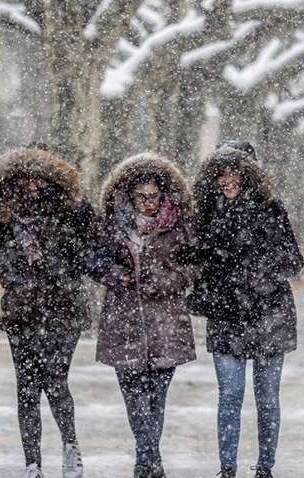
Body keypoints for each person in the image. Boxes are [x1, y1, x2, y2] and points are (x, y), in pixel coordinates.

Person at [177, 146, 303, 478]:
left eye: (234, 172)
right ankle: (227, 469)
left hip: (269, 314)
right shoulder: (205, 213)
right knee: (230, 395)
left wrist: (256, 266)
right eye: (220, 174)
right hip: (226, 315)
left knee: (267, 397)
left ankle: (265, 468)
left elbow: (294, 261)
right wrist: (200, 261)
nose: (227, 180)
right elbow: (191, 257)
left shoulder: (271, 209)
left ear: (249, 174)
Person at [0, 146, 92, 478]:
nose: (32, 184)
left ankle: (70, 447)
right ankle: (33, 464)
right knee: (27, 387)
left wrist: (61, 272)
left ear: (51, 176)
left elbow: (88, 246)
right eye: (25, 177)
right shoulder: (4, 210)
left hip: (64, 308)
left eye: (38, 177)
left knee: (56, 379)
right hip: (22, 310)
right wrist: (17, 281)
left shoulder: (71, 208)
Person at [90, 153, 197, 478]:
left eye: (154, 196)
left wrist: (168, 280)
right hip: (123, 322)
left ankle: (146, 460)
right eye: (141, 196)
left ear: (164, 194)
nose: (148, 203)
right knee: (134, 398)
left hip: (166, 323)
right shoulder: (111, 223)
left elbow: (196, 264)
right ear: (129, 195)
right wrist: (115, 275)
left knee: (156, 398)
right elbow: (92, 258)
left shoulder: (179, 224)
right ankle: (149, 460)